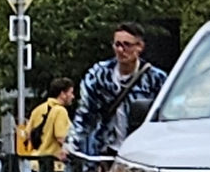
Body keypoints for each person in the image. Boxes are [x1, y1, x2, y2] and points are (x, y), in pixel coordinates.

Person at [70, 24, 166, 164]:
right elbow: (85, 113)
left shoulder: (156, 79)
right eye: (117, 45)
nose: (121, 50)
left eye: (127, 45)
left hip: (138, 155)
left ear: (140, 47)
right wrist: (71, 144)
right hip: (103, 153)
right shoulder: (98, 74)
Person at [19, 78, 77, 162]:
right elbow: (61, 138)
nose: (73, 96)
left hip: (36, 161)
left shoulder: (38, 109)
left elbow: (28, 135)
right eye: (71, 93)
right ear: (62, 94)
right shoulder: (60, 111)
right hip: (53, 164)